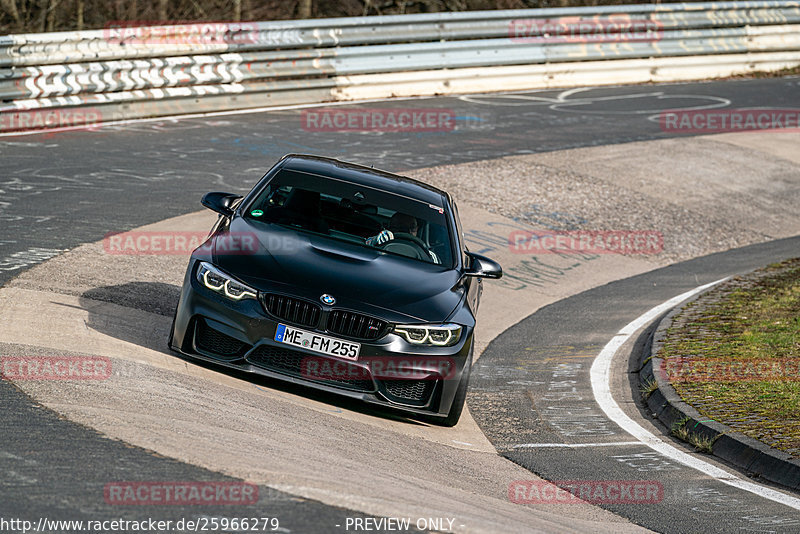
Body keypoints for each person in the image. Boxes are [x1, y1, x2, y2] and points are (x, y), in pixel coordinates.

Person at [366, 212, 439, 263]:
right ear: (390, 227)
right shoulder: (380, 241)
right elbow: (364, 247)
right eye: (399, 227)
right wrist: (376, 240)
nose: (407, 232)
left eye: (412, 228)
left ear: (417, 229)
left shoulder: (428, 254)